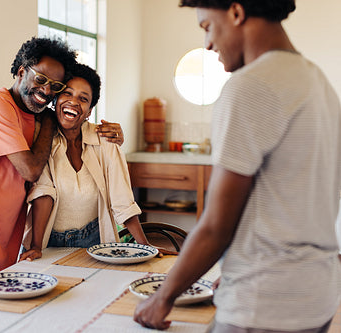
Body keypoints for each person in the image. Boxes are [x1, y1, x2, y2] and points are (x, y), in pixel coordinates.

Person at [134, 1, 341, 332]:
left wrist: (163, 297)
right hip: (317, 297)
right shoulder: (319, 83)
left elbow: (216, 226)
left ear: (235, 12)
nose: (208, 43)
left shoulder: (250, 85)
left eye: (207, 27)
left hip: (262, 303)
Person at [0, 37, 123, 304]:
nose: (47, 90)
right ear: (21, 71)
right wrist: (49, 120)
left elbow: (75, 124)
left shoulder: (37, 116)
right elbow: (30, 169)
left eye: (55, 86)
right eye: (40, 79)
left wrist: (112, 133)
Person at [19, 63, 173, 261]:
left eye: (83, 99)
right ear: (55, 99)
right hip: (48, 238)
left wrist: (145, 245)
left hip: (94, 239)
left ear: (90, 111)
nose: (74, 102)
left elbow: (122, 198)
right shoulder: (43, 140)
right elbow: (43, 192)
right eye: (67, 94)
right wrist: (36, 246)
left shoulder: (106, 140)